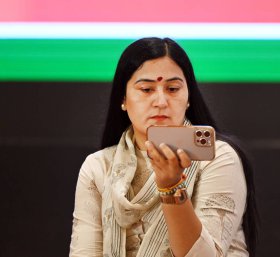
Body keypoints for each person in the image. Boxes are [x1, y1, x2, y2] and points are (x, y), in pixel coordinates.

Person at [69, 37, 258, 257]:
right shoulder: (99, 167)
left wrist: (172, 188)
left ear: (188, 98)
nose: (161, 101)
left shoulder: (217, 158)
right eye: (147, 89)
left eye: (173, 88)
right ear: (123, 98)